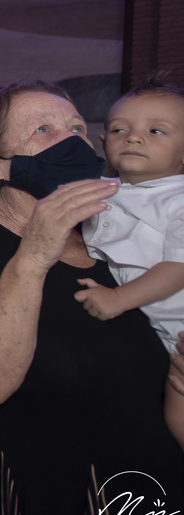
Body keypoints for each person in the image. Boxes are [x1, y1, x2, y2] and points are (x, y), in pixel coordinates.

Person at [0, 80, 184, 515]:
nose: (72, 141)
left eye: (78, 127)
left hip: (151, 506)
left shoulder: (114, 235)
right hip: (44, 512)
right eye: (43, 129)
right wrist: (33, 253)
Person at [73, 73, 184, 448]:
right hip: (168, 338)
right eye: (120, 129)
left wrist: (118, 299)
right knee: (176, 415)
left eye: (157, 131)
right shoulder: (106, 191)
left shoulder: (177, 199)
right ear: (103, 143)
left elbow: (179, 267)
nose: (134, 137)